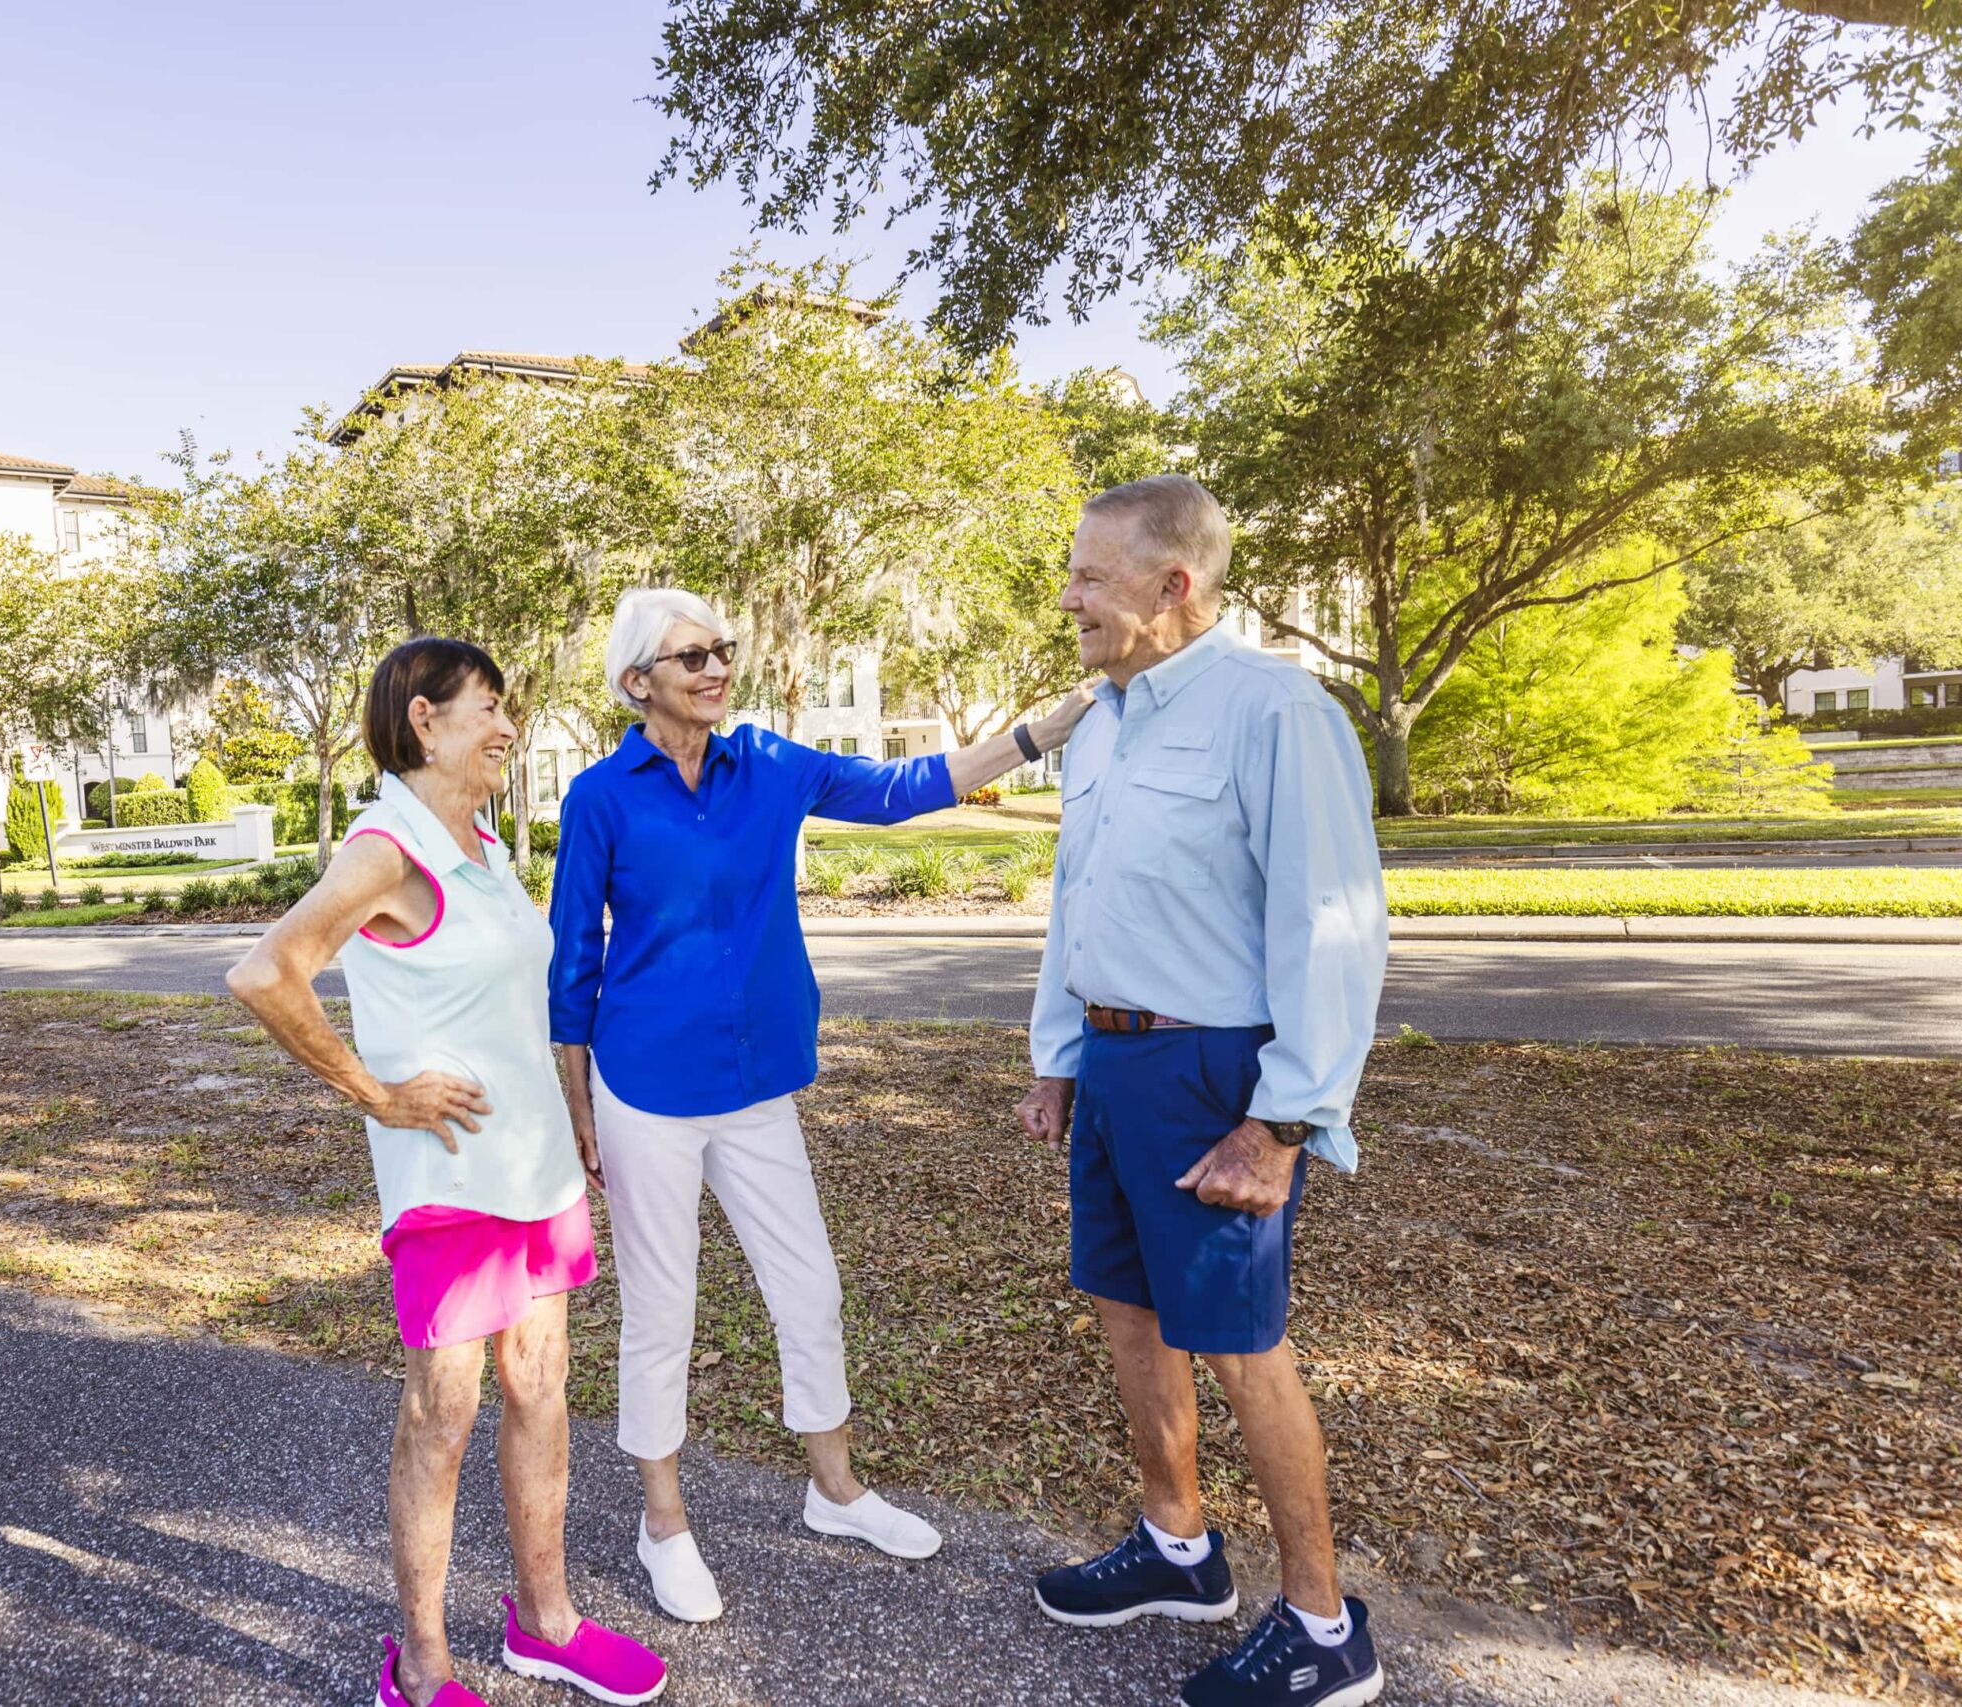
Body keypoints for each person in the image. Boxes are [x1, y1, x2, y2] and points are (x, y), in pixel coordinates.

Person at [547, 586, 1094, 1623]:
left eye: (722, 648)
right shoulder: (599, 797)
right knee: (661, 1309)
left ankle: (834, 1490)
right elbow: (572, 961)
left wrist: (1034, 736)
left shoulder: (769, 763)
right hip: (644, 1087)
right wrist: (577, 1104)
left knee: (810, 1288)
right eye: (691, 656)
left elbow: (900, 788)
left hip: (756, 1084)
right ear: (637, 682)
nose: (717, 666)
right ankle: (662, 1520)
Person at [226, 637, 667, 1707]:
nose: (508, 727)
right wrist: (377, 1094)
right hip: (455, 1183)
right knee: (444, 1413)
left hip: (536, 1171)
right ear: (424, 720)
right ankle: (420, 1666)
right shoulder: (388, 850)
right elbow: (266, 972)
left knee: (542, 1388)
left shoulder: (480, 842)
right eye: (489, 707)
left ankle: (546, 1623)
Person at [1017, 476, 1388, 1707]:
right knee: (1125, 1312)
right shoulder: (1101, 720)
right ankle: (1176, 1548)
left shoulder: (1273, 711)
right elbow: (1080, 901)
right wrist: (1058, 1059)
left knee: (1240, 1347)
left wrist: (1282, 1122)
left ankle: (1324, 1627)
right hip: (1113, 1061)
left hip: (1217, 1074)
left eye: (1089, 575)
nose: (1067, 597)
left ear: (1173, 585)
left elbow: (1332, 926)